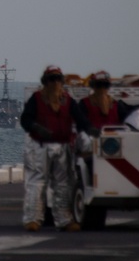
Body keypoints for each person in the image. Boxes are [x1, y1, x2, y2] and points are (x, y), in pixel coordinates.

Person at [20, 65, 89, 232]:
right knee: (36, 183)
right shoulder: (36, 99)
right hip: (39, 146)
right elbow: (25, 119)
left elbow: (81, 120)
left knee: (64, 185)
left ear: (62, 81)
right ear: (45, 82)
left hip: (63, 147)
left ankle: (65, 220)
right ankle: (33, 220)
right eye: (52, 79)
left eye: (58, 79)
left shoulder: (68, 101)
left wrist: (89, 131)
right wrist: (36, 127)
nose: (55, 82)